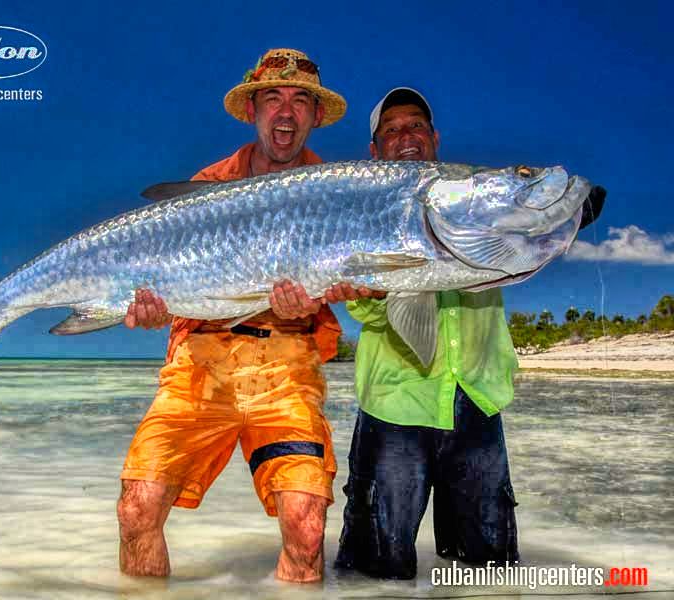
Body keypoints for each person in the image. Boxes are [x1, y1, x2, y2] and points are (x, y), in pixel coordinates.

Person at [332, 87, 605, 580]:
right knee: (374, 575)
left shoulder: (472, 196)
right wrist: (375, 290)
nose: (405, 137)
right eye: (390, 131)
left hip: (477, 400)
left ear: (434, 138)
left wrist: (570, 206)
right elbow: (368, 314)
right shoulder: (353, 208)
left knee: (487, 575)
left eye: (415, 126)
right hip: (395, 404)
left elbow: (545, 221)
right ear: (374, 152)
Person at [116, 48, 350, 583]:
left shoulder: (337, 190)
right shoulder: (208, 185)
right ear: (253, 111)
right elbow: (167, 285)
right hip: (201, 358)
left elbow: (366, 282)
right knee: (137, 508)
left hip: (287, 364)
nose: (286, 113)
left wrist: (317, 301)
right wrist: (155, 307)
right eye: (273, 98)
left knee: (307, 526)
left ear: (315, 116)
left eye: (300, 101)